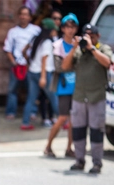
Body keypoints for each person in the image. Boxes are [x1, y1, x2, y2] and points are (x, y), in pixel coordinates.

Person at [62, 24, 112, 174]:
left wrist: (92, 48)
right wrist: (74, 48)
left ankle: (97, 163)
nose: (89, 38)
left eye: (92, 35)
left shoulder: (102, 48)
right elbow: (65, 66)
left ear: (98, 36)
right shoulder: (79, 51)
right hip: (79, 96)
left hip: (96, 97)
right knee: (78, 130)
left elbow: (107, 63)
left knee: (97, 131)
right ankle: (79, 160)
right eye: (86, 35)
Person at [44, 13, 79, 158]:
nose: (70, 30)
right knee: (62, 118)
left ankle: (69, 148)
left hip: (78, 86)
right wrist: (73, 52)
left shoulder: (80, 42)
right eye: (67, 27)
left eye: (73, 27)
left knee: (74, 119)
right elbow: (60, 67)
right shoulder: (57, 45)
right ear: (63, 29)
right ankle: (48, 146)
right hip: (63, 86)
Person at [20, 18, 59, 131]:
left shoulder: (35, 39)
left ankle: (25, 122)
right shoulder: (47, 42)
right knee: (53, 98)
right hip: (43, 73)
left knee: (31, 98)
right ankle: (64, 120)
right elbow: (44, 59)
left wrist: (29, 62)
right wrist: (43, 77)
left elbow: (24, 51)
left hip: (32, 71)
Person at [3, 6, 41, 120]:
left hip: (31, 65)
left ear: (30, 17)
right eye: (22, 14)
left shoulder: (36, 30)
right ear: (19, 16)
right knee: (12, 89)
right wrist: (13, 62)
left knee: (32, 89)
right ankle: (11, 112)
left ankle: (32, 111)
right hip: (17, 65)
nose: (23, 17)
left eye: (26, 14)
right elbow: (7, 49)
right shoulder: (13, 32)